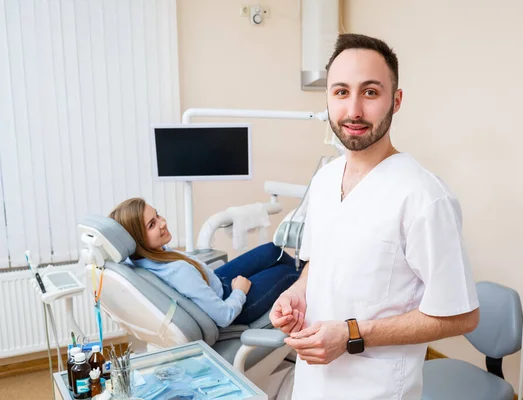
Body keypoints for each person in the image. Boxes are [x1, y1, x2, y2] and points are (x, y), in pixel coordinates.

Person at [269, 33, 480, 399]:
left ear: (396, 101)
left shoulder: (424, 197)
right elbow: (319, 262)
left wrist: (352, 334)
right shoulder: (324, 179)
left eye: (370, 92)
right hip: (312, 384)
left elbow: (461, 315)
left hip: (376, 390)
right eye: (340, 92)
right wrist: (297, 292)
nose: (353, 111)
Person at [109, 197, 302, 328]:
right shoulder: (178, 271)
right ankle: (315, 279)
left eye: (157, 215)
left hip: (217, 282)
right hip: (234, 305)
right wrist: (239, 292)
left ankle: (306, 269)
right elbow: (223, 317)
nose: (162, 223)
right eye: (152, 225)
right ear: (136, 240)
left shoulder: (139, 258)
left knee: (272, 249)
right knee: (287, 271)